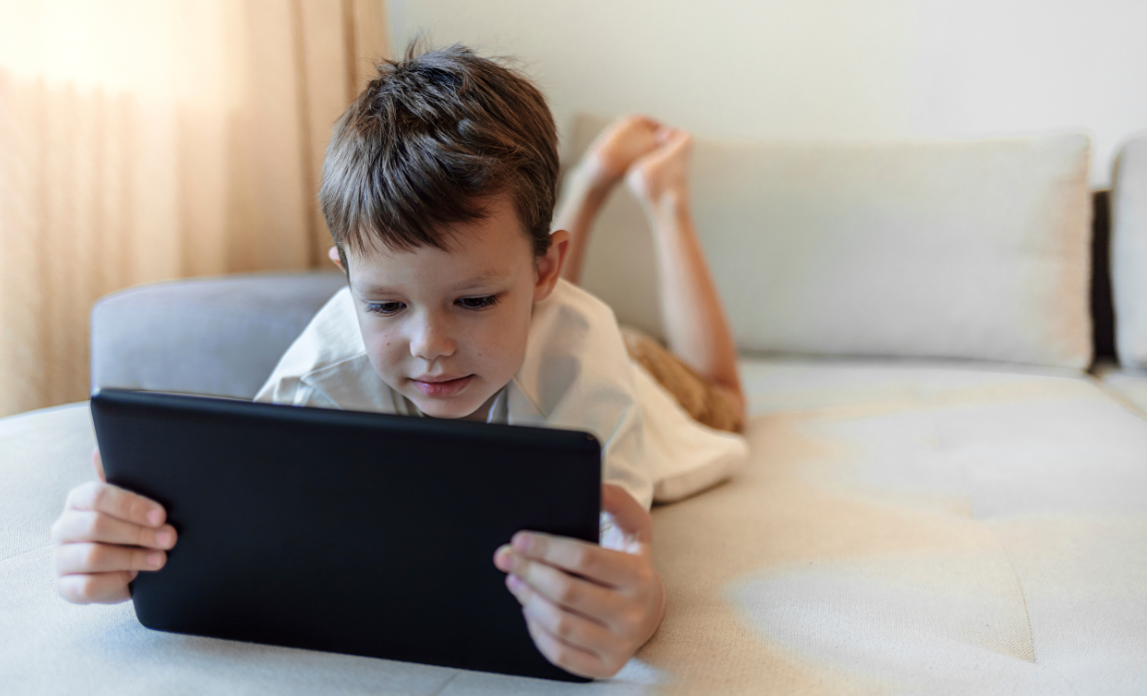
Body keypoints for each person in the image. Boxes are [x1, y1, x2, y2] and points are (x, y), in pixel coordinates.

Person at [50, 44, 746, 680]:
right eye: (382, 306)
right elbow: (243, 531)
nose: (428, 346)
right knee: (525, 308)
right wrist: (129, 554)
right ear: (346, 275)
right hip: (536, 325)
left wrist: (644, 604)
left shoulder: (586, 356)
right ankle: (585, 190)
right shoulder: (318, 375)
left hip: (628, 365)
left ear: (544, 270)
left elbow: (622, 558)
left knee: (725, 404)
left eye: (472, 300)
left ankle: (659, 199)